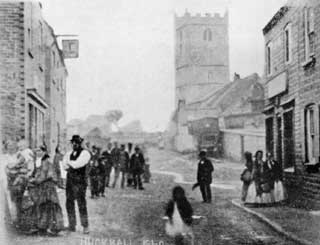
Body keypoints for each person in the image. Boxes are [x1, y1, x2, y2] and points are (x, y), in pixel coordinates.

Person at [20, 145, 64, 235]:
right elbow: (35, 173)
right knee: (38, 205)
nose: (38, 153)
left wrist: (34, 180)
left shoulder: (46, 162)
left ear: (44, 152)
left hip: (47, 187)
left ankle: (52, 228)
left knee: (49, 206)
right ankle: (39, 227)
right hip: (40, 186)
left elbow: (44, 176)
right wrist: (31, 178)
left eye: (39, 151)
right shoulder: (37, 161)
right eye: (36, 151)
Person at [62, 135, 91, 234]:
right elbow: (64, 165)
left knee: (81, 203)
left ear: (80, 143)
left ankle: (85, 225)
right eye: (73, 142)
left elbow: (77, 164)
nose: (74, 144)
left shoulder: (85, 153)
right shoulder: (69, 153)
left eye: (76, 142)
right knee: (69, 203)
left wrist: (69, 163)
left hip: (80, 182)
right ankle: (72, 225)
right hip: (70, 180)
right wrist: (70, 163)